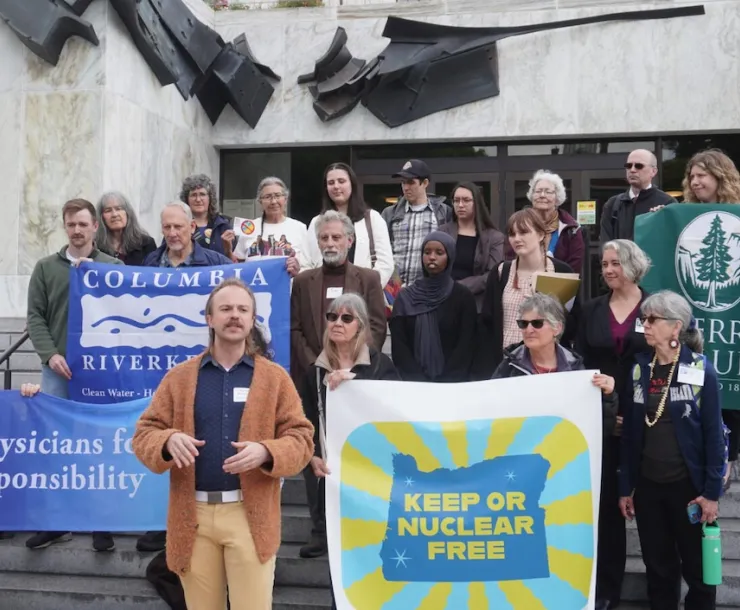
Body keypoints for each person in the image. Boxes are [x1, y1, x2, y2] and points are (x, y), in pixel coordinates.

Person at [132, 278, 314, 610]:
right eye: (226, 309)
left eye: (243, 309)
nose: (235, 316)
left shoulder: (274, 378)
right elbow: (144, 433)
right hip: (193, 517)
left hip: (250, 515)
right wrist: (168, 439)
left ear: (252, 319)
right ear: (209, 319)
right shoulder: (180, 377)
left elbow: (301, 439)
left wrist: (267, 451)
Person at [26, 198, 123, 552]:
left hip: (100, 376)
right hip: (57, 371)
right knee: (56, 447)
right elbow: (35, 317)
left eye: (84, 224)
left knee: (100, 447)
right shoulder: (45, 268)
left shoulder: (112, 266)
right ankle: (57, 523)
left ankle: (101, 525)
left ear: (96, 226)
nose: (78, 230)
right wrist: (50, 355)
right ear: (65, 227)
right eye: (72, 225)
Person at [619, 290, 724, 610]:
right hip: (649, 489)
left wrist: (711, 493)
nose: (645, 326)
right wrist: (626, 488)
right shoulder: (639, 371)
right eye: (643, 320)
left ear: (675, 327)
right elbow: (629, 436)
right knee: (658, 568)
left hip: (689, 489)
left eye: (652, 320)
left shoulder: (700, 370)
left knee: (698, 571)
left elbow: (713, 436)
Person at [576, 239, 652, 610]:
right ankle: (606, 590)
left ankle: (662, 586)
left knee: (650, 507)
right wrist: (608, 409)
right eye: (604, 264)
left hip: (649, 418)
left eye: (615, 263)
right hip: (602, 419)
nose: (607, 270)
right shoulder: (591, 310)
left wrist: (632, 409)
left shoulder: (654, 307)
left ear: (633, 265)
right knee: (607, 511)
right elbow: (580, 361)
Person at [299, 293, 399, 561]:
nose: (337, 323)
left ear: (361, 326)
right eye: (332, 317)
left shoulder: (380, 365)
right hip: (331, 467)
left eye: (346, 318)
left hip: (370, 469)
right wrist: (311, 455)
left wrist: (357, 383)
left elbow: (396, 410)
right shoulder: (315, 371)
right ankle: (319, 530)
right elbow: (303, 419)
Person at [290, 211, 387, 388]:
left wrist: (355, 365)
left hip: (356, 376)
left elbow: (377, 327)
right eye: (324, 238)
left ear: (349, 241)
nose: (330, 244)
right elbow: (295, 329)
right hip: (312, 377)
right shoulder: (302, 282)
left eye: (336, 237)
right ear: (318, 243)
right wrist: (317, 366)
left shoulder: (369, 279)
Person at [492, 292, 617, 427]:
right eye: (523, 323)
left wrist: (608, 396)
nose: (529, 330)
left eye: (537, 323)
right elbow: (492, 414)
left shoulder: (575, 368)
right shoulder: (508, 366)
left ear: (557, 328)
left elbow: (597, 426)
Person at [479, 208, 576, 375]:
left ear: (540, 234)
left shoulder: (560, 270)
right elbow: (488, 323)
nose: (517, 239)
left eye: (523, 232)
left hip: (549, 368)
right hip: (508, 365)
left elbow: (571, 322)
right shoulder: (501, 272)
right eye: (512, 234)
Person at [390, 231, 477, 382]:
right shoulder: (405, 298)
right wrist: (417, 380)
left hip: (453, 385)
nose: (432, 257)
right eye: (427, 252)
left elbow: (466, 344)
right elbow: (400, 347)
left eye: (439, 252)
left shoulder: (463, 297)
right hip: (413, 385)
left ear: (450, 257)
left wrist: (447, 381)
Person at [305, 163, 394, 288]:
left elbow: (385, 263)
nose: (336, 186)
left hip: (364, 295)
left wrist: (367, 290)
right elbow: (309, 262)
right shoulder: (317, 222)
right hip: (325, 295)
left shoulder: (372, 218)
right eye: (331, 183)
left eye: (341, 181)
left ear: (352, 184)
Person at [382, 159, 453, 286]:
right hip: (395, 291)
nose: (406, 187)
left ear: (425, 183)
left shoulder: (443, 213)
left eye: (411, 182)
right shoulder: (390, 213)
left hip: (428, 290)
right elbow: (382, 253)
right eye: (403, 183)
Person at [438, 182, 505, 311]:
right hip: (444, 302)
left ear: (477, 203)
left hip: (478, 305)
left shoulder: (494, 237)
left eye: (466, 200)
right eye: (456, 200)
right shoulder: (442, 232)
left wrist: (458, 287)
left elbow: (492, 274)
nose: (460, 205)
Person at [233, 177, 307, 278]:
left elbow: (309, 266)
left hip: (290, 291)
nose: (273, 201)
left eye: (278, 196)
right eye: (267, 197)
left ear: (285, 199)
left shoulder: (299, 228)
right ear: (260, 202)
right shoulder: (250, 227)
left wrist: (298, 270)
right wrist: (227, 248)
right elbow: (237, 264)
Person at [599, 149, 675, 244]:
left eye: (639, 166)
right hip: (621, 258)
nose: (632, 170)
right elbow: (605, 245)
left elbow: (672, 240)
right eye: (629, 166)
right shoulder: (612, 204)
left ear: (653, 171)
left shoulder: (667, 203)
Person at [526, 170, 585, 274]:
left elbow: (574, 267)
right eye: (538, 191)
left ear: (557, 198)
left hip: (558, 285)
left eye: (548, 192)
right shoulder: (521, 225)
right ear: (532, 196)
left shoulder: (572, 229)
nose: (542, 195)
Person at [143, 202, 232, 268]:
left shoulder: (217, 263)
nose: (172, 233)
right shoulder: (149, 262)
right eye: (167, 227)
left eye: (178, 227)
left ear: (192, 226)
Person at [180, 174, 237, 258]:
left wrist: (228, 250)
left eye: (202, 194)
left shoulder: (224, 225)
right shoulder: (177, 225)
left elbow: (236, 263)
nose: (198, 199)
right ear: (186, 199)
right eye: (193, 195)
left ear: (210, 198)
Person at [95, 191, 157, 265]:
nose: (114, 214)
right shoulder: (95, 246)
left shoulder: (146, 244)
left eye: (118, 209)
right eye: (108, 210)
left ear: (127, 213)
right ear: (101, 217)